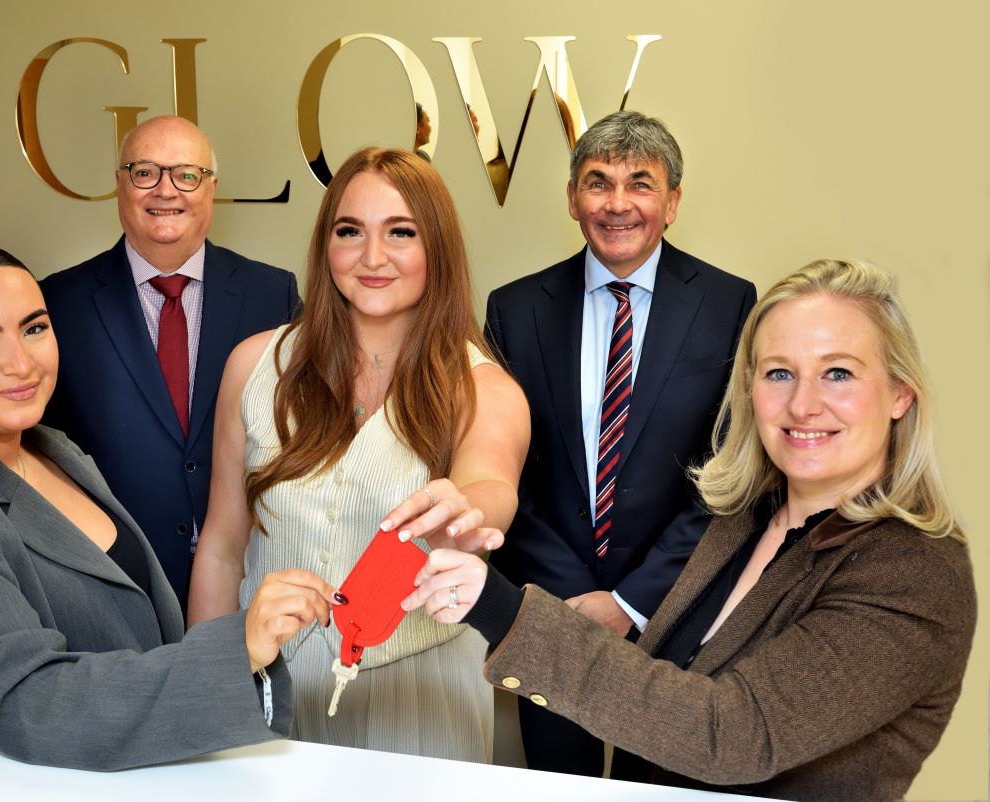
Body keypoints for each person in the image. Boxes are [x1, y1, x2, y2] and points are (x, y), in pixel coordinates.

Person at [405, 259, 976, 801]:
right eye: (780, 373)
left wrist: (500, 606)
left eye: (838, 373)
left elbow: (728, 735)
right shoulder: (743, 520)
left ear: (901, 394)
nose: (804, 405)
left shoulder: (915, 572)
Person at [0, 241, 335, 771]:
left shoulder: (52, 449)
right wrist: (234, 649)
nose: (21, 363)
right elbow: (32, 703)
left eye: (34, 328)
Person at [188, 148, 529, 762]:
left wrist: (467, 511)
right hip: (272, 698)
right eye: (351, 232)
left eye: (401, 232)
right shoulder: (254, 367)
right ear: (326, 246)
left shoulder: (485, 390)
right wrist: (204, 687)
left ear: (438, 248)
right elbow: (221, 547)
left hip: (422, 708)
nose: (373, 258)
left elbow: (490, 489)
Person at [483, 109, 756, 777]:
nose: (618, 203)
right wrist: (574, 602)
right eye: (598, 182)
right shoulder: (514, 309)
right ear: (573, 198)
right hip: (553, 610)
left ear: (672, 201)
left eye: (641, 182)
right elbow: (508, 470)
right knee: (557, 788)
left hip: (674, 612)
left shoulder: (729, 305)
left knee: (660, 788)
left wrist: (631, 601)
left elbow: (732, 468)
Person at [40, 116, 299, 608]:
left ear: (211, 188)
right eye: (144, 173)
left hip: (252, 580)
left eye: (186, 174)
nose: (166, 190)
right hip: (117, 584)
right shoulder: (58, 302)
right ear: (119, 184)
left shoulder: (273, 294)